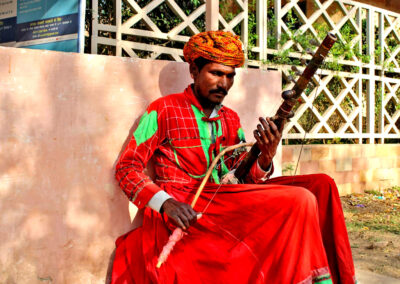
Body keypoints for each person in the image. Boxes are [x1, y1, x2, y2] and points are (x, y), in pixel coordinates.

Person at [111, 31, 356, 284]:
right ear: (194, 70)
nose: (224, 84)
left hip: (226, 196)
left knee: (321, 185)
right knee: (300, 199)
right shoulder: (163, 109)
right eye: (216, 73)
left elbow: (240, 176)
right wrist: (166, 203)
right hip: (188, 202)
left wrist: (265, 158)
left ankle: (338, 278)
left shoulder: (230, 118)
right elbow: (127, 168)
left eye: (230, 76)